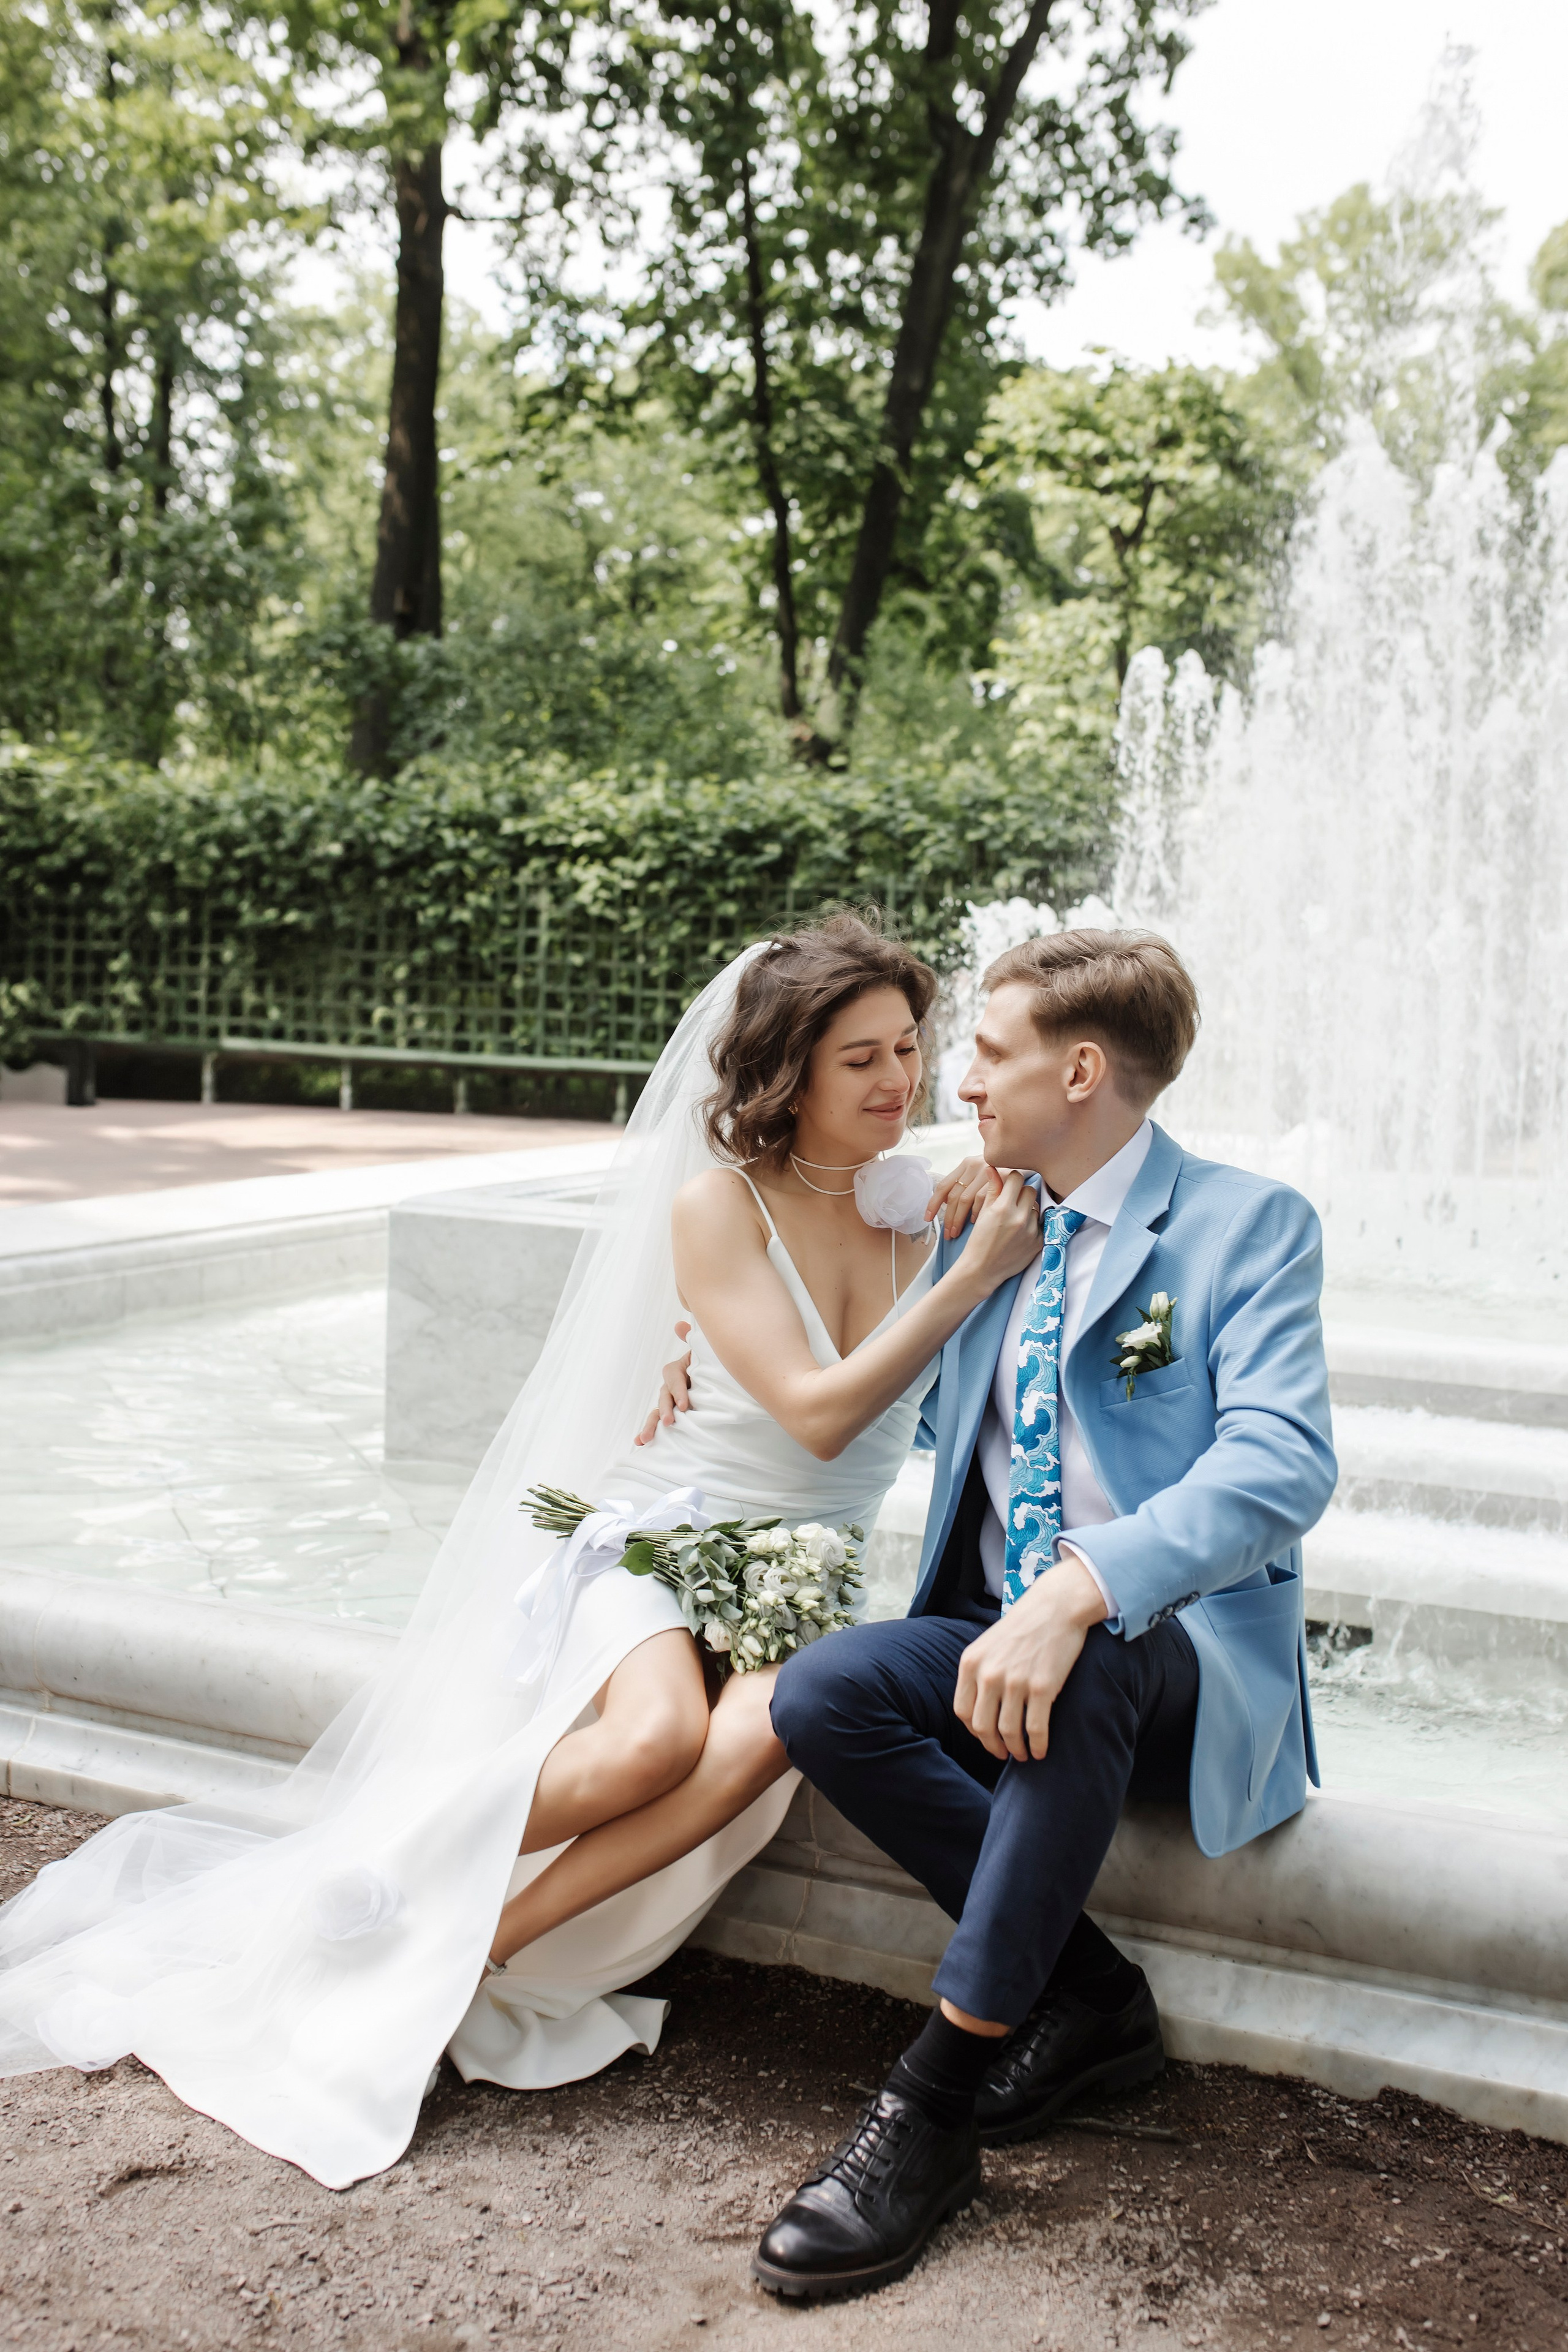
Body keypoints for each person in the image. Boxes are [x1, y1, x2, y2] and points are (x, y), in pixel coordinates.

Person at [0, 915, 1036, 2190]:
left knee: (762, 1734)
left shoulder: (929, 1199)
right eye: (858, 1060)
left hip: (801, 1580)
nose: (898, 1084)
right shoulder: (719, 1205)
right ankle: (383, 1864)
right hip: (658, 1540)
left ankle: (488, 1937)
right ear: (784, 1074)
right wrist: (970, 1277)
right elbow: (818, 1415)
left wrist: (975, 1233)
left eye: (907, 1051)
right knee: (655, 1738)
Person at [742, 927, 1338, 2301]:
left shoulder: (1248, 1225)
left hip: (1173, 1652)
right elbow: (836, 1369)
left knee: (1083, 1661)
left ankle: (930, 2108)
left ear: (1079, 1069)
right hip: (993, 1632)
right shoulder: (986, 1223)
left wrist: (1080, 1588)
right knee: (823, 1691)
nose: (954, 1082)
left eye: (985, 1052)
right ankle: (1092, 2000)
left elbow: (1280, 1463)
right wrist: (673, 1375)